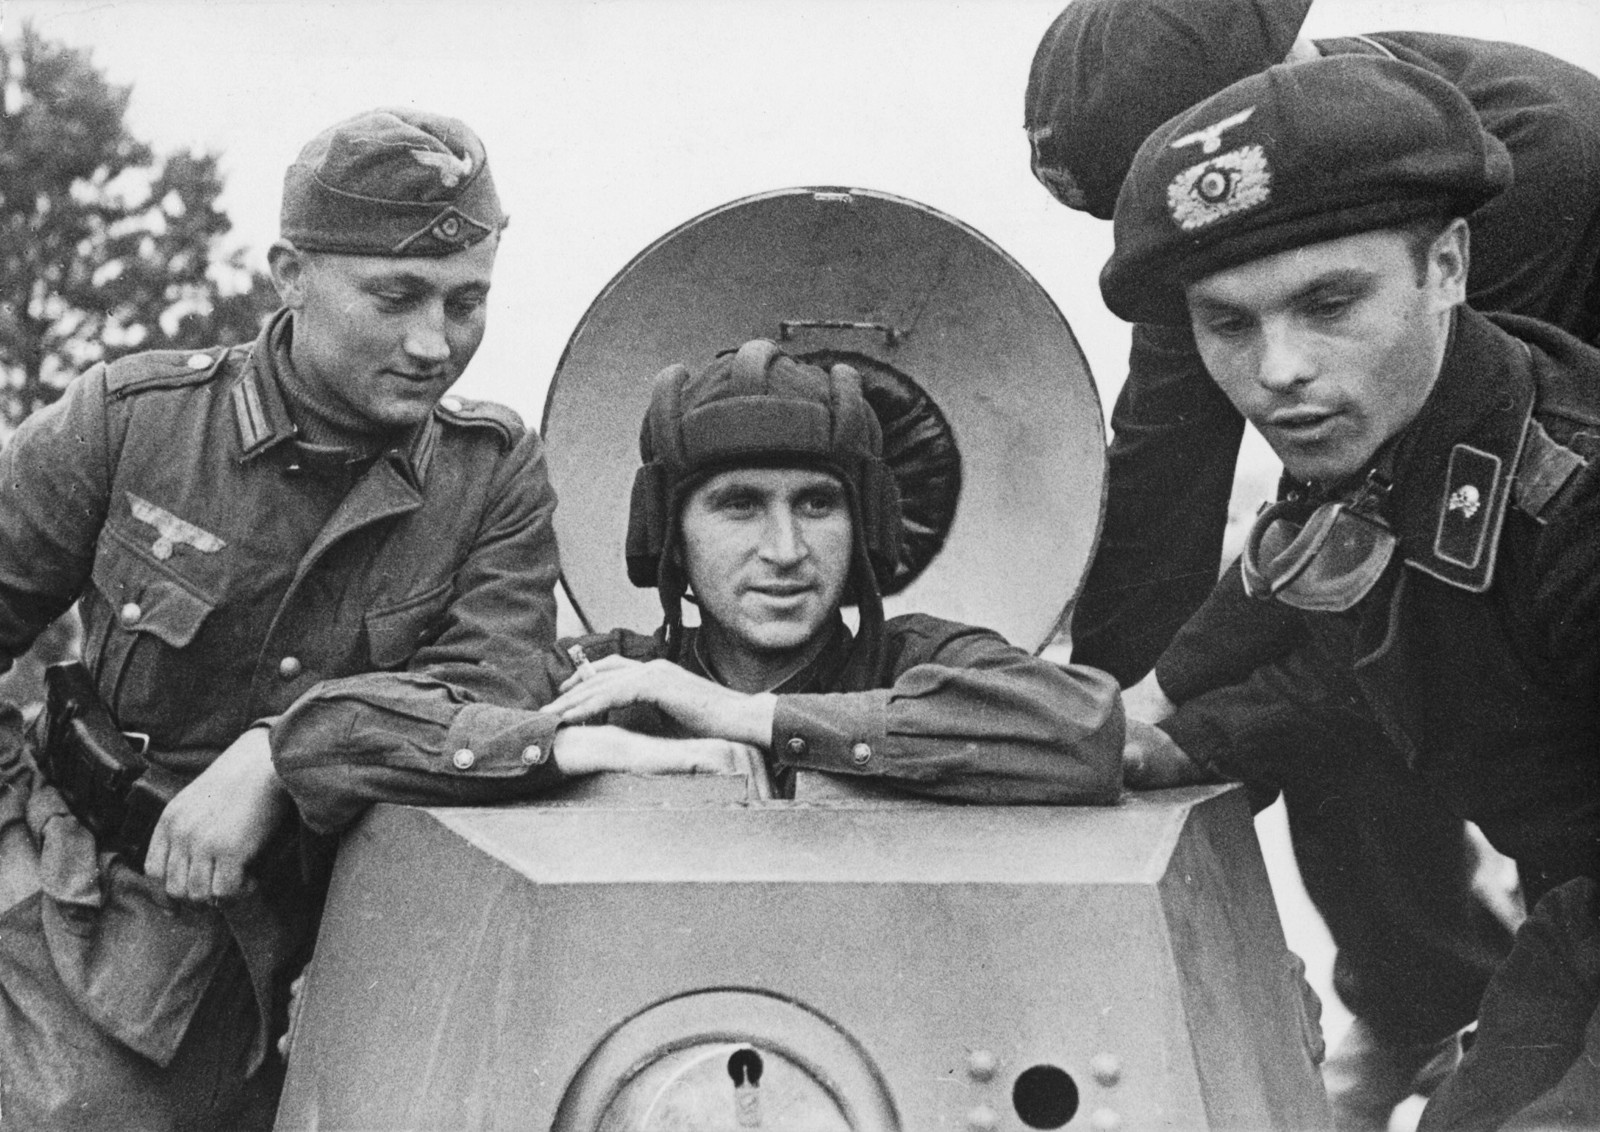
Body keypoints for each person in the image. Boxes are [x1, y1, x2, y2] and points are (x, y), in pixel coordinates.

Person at [1026, 2, 1600, 1118]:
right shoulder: (1263, 229)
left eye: (1326, 303)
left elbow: (1447, 559)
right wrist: (1116, 707)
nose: (1276, 366)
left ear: (1444, 264)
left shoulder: (1515, 161)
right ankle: (1422, 996)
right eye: (1224, 320)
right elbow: (1166, 485)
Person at [0, 108, 563, 1129]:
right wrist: (10, 857)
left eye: (466, 301)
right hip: (83, 942)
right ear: (288, 274)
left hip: (350, 963)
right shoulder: (134, 426)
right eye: (395, 296)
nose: (435, 342)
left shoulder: (492, 478)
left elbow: (498, 700)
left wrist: (281, 753)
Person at [272, 338, 1126, 823]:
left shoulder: (918, 662)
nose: (786, 549)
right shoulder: (602, 685)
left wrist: (748, 717)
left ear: (864, 523)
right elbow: (327, 735)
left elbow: (1084, 730)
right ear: (668, 533)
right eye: (739, 506)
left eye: (819, 505)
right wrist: (587, 746)